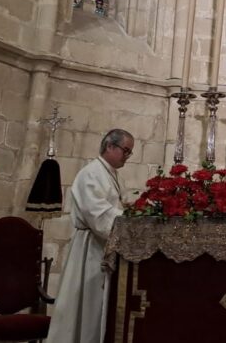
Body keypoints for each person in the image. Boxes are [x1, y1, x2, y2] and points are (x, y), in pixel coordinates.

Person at [47, 128, 134, 343]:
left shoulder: (112, 174)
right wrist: (130, 220)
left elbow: (119, 205)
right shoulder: (91, 173)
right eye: (125, 150)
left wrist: (132, 211)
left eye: (129, 152)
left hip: (104, 246)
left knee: (97, 308)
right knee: (87, 306)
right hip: (90, 248)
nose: (127, 156)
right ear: (110, 146)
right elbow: (98, 214)